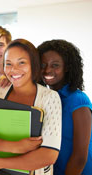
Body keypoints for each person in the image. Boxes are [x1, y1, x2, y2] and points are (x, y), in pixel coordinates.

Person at [0, 39, 62, 175]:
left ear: (34, 64)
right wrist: (16, 147)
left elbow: (49, 155)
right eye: (8, 64)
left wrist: (0, 162)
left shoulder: (49, 97)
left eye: (21, 62)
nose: (14, 70)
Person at [38, 39, 92, 175]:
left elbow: (80, 156)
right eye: (43, 64)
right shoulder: (44, 98)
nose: (47, 70)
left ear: (67, 67)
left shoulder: (78, 100)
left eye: (55, 65)